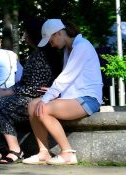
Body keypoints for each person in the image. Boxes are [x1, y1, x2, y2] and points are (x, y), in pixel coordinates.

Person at [0, 17, 61, 164]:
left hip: (37, 99)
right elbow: (25, 84)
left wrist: (6, 92)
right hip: (29, 95)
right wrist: (4, 90)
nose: (23, 36)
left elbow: (34, 88)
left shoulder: (41, 57)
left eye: (25, 32)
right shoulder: (36, 54)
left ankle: (15, 149)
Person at [22, 19, 103, 165]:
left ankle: (67, 153)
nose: (50, 43)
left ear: (59, 33)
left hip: (88, 99)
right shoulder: (69, 49)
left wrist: (48, 97)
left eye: (50, 39)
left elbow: (66, 77)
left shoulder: (82, 47)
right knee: (33, 105)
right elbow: (70, 79)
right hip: (75, 98)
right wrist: (54, 93)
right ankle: (43, 153)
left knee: (43, 108)